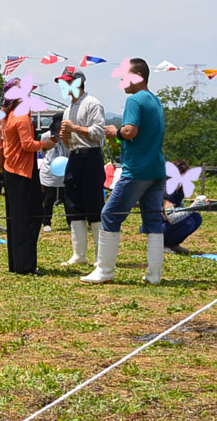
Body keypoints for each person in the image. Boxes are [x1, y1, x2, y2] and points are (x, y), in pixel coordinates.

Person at [82, 58, 168, 285]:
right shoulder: (155, 100)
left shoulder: (135, 100)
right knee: (152, 222)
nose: (122, 80)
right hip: (157, 170)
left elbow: (130, 131)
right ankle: (154, 275)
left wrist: (115, 132)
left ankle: (104, 271)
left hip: (137, 171)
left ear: (138, 76)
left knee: (109, 216)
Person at [0, 78, 57, 274]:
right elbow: (27, 145)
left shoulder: (7, 116)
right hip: (23, 171)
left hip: (10, 169)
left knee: (15, 218)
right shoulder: (22, 116)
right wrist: (44, 144)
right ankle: (26, 265)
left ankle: (17, 263)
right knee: (31, 217)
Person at [57, 70, 107, 266]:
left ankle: (100, 255)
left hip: (91, 157)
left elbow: (98, 133)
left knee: (94, 205)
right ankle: (79, 254)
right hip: (74, 156)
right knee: (73, 205)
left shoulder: (93, 104)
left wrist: (74, 128)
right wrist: (65, 138)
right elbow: (70, 141)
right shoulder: (68, 109)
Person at [161, 161, 204, 255]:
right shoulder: (168, 191)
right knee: (188, 222)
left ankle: (173, 244)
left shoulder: (179, 188)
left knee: (196, 218)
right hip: (157, 226)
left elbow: (180, 209)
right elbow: (172, 218)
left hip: (166, 223)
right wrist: (194, 206)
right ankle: (163, 245)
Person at [38, 115, 67, 232]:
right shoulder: (46, 136)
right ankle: (46, 223)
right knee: (48, 198)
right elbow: (43, 152)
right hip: (50, 171)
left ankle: (71, 221)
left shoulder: (68, 136)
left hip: (64, 170)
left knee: (66, 198)